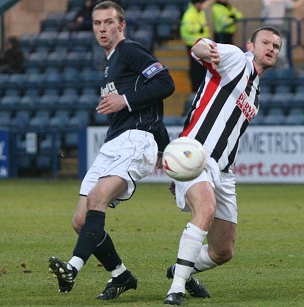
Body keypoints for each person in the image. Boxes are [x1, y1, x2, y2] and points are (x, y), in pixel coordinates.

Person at [48, 1, 175, 301]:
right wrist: (167, 153)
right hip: (113, 143)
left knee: (97, 199)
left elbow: (166, 83)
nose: (102, 28)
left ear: (122, 25)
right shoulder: (109, 65)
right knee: (80, 221)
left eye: (108, 22)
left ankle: (73, 268)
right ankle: (121, 276)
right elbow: (154, 109)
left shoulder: (130, 50)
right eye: (97, 23)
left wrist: (125, 101)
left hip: (136, 140)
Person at [163, 26, 282, 305]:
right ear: (250, 46)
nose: (271, 48)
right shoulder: (235, 58)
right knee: (205, 209)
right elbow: (200, 47)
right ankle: (177, 288)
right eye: (265, 42)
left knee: (222, 251)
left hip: (224, 171)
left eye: (276, 46)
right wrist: (205, 50)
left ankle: (183, 267)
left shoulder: (256, 96)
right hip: (196, 154)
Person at [261, 0, 303, 67]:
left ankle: (269, 64)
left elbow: (264, 13)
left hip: (268, 23)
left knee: (268, 45)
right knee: (279, 44)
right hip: (278, 24)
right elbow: (294, 5)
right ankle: (282, 65)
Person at [180, 0, 210, 93]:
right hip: (192, 43)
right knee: (196, 68)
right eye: (200, 3)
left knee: (201, 67)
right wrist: (199, 28)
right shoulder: (190, 13)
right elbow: (187, 28)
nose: (201, 5)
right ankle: (195, 88)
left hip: (200, 43)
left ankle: (200, 87)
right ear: (196, 3)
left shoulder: (199, 12)